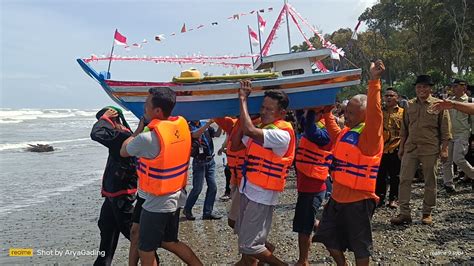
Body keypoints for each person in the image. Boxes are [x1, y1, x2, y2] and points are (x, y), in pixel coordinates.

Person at [312, 60, 385, 266]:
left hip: (359, 201)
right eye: (346, 112)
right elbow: (336, 134)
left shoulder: (370, 136)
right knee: (327, 237)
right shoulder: (347, 131)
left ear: (364, 115)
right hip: (336, 199)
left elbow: (375, 115)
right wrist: (327, 112)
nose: (346, 116)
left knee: (360, 246)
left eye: (352, 113)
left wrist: (374, 82)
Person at [120, 87, 202, 266]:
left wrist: (137, 131)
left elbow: (123, 151)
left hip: (159, 200)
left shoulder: (147, 138)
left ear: (157, 111)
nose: (143, 107)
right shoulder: (181, 126)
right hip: (162, 193)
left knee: (147, 248)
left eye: (146, 104)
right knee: (137, 232)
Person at [232, 82, 296, 265]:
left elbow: (249, 131)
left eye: (269, 109)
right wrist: (244, 117)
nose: (263, 112)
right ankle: (264, 251)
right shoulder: (263, 128)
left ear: (282, 113)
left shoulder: (282, 134)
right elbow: (236, 145)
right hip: (247, 188)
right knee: (243, 238)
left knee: (249, 245)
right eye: (262, 107)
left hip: (262, 194)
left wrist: (243, 99)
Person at [390, 75, 451, 226]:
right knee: (404, 179)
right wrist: (402, 147)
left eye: (425, 87)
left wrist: (444, 149)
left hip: (430, 148)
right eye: (419, 87)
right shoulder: (409, 105)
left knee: (430, 181)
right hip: (411, 148)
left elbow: (445, 130)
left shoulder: (439, 105)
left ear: (430, 88)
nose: (421, 90)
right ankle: (404, 213)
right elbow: (404, 129)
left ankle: (427, 212)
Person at [90, 106, 138, 266]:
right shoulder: (121, 134)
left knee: (131, 231)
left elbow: (96, 133)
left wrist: (104, 118)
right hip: (113, 193)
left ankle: (151, 259)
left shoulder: (122, 134)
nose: (104, 124)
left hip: (121, 193)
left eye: (105, 122)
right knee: (106, 228)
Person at [293, 106, 335, 266]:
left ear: (321, 113)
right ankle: (327, 233)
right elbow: (303, 122)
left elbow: (310, 129)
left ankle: (303, 261)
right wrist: (300, 107)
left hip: (314, 187)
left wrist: (311, 110)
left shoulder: (325, 133)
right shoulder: (315, 126)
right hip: (306, 186)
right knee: (309, 223)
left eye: (312, 113)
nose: (307, 116)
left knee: (304, 227)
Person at [183, 120, 223, 220]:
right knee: (197, 188)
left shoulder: (204, 124)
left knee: (213, 187)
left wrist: (222, 124)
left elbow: (217, 135)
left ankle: (207, 212)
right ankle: (187, 209)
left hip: (210, 161)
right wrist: (208, 124)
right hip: (199, 162)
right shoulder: (188, 127)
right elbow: (195, 135)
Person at [440, 79, 474, 193]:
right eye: (452, 86)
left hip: (462, 134)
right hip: (449, 134)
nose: (453, 88)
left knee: (458, 158)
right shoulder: (449, 101)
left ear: (464, 87)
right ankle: (448, 183)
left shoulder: (470, 101)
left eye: (456, 86)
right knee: (446, 160)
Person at [375, 88, 404, 208]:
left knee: (395, 176)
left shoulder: (403, 112)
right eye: (386, 96)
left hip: (396, 147)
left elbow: (405, 131)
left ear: (397, 97)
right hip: (381, 149)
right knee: (380, 175)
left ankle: (393, 199)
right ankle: (380, 198)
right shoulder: (380, 112)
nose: (388, 98)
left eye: (392, 95)